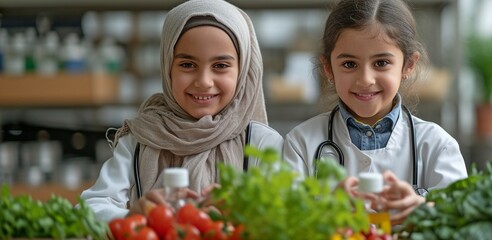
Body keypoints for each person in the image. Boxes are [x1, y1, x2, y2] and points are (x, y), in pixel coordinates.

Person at [81, 0, 283, 222]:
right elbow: (91, 207)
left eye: (221, 66)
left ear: (243, 71)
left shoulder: (261, 144)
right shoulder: (141, 139)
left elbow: (282, 216)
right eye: (187, 65)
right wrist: (133, 215)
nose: (204, 82)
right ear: (167, 66)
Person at [282, 0, 467, 225]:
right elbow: (284, 222)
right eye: (349, 64)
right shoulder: (301, 143)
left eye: (381, 63)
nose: (365, 79)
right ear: (328, 68)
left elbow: (462, 220)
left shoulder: (437, 145)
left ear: (408, 65)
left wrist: (425, 209)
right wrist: (323, 210)